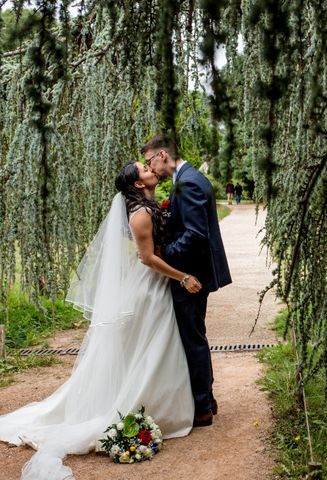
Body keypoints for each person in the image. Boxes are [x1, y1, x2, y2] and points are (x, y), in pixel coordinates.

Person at [0, 161, 198, 480]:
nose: (150, 168)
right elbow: (147, 258)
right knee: (154, 345)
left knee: (152, 347)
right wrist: (183, 276)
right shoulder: (141, 214)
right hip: (149, 288)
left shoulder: (147, 206)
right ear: (137, 184)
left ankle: (155, 405)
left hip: (152, 284)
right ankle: (145, 407)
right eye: (144, 169)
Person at [142, 134, 231, 428]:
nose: (150, 168)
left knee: (192, 340)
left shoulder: (188, 183)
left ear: (162, 155)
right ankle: (207, 397)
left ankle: (202, 408)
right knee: (196, 336)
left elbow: (194, 235)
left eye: (149, 160)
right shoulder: (190, 178)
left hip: (190, 275)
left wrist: (162, 255)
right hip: (193, 272)